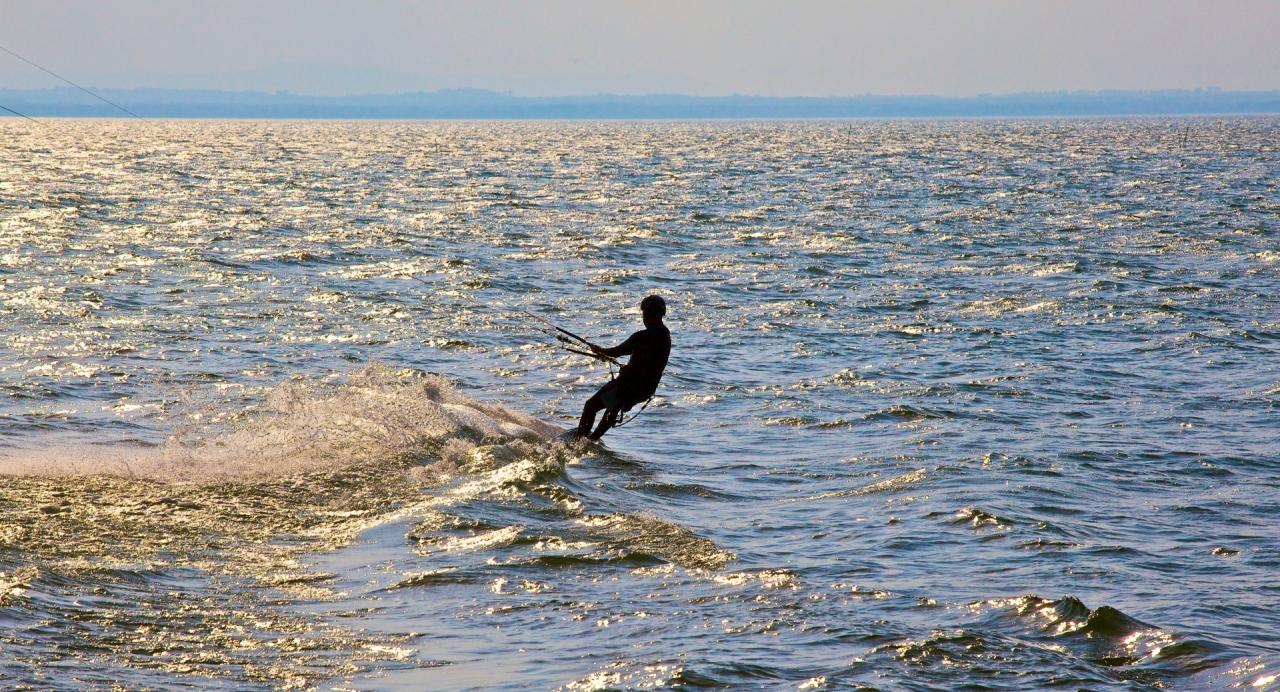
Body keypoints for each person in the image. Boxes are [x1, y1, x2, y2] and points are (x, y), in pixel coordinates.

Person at [576, 295, 671, 440]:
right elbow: (649, 365)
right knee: (614, 407)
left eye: (645, 314)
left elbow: (616, 352)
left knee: (591, 406)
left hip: (629, 386)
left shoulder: (641, 337)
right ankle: (593, 439)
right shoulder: (665, 336)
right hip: (645, 390)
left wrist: (599, 350)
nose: (644, 318)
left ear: (647, 315)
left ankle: (581, 440)